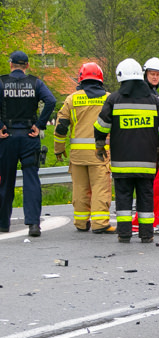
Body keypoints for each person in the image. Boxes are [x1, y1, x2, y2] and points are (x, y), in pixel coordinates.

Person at [94, 58, 159, 243]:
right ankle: (146, 234)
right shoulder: (153, 100)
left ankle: (125, 234)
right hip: (147, 162)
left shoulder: (114, 99)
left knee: (123, 198)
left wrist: (100, 145)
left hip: (122, 163)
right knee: (146, 197)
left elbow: (101, 126)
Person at [0, 51, 56, 237]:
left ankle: (3, 224)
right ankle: (33, 225)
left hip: (7, 137)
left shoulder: (2, 82)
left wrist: (0, 126)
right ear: (27, 66)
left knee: (5, 181)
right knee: (31, 178)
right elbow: (51, 101)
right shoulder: (35, 83)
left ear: (10, 64)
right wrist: (39, 125)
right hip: (29, 137)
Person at [54, 62, 115, 234]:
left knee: (80, 188)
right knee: (100, 188)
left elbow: (61, 127)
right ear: (100, 79)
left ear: (81, 78)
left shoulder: (71, 99)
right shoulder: (108, 98)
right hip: (100, 153)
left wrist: (59, 149)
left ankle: (81, 222)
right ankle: (100, 223)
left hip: (78, 155)